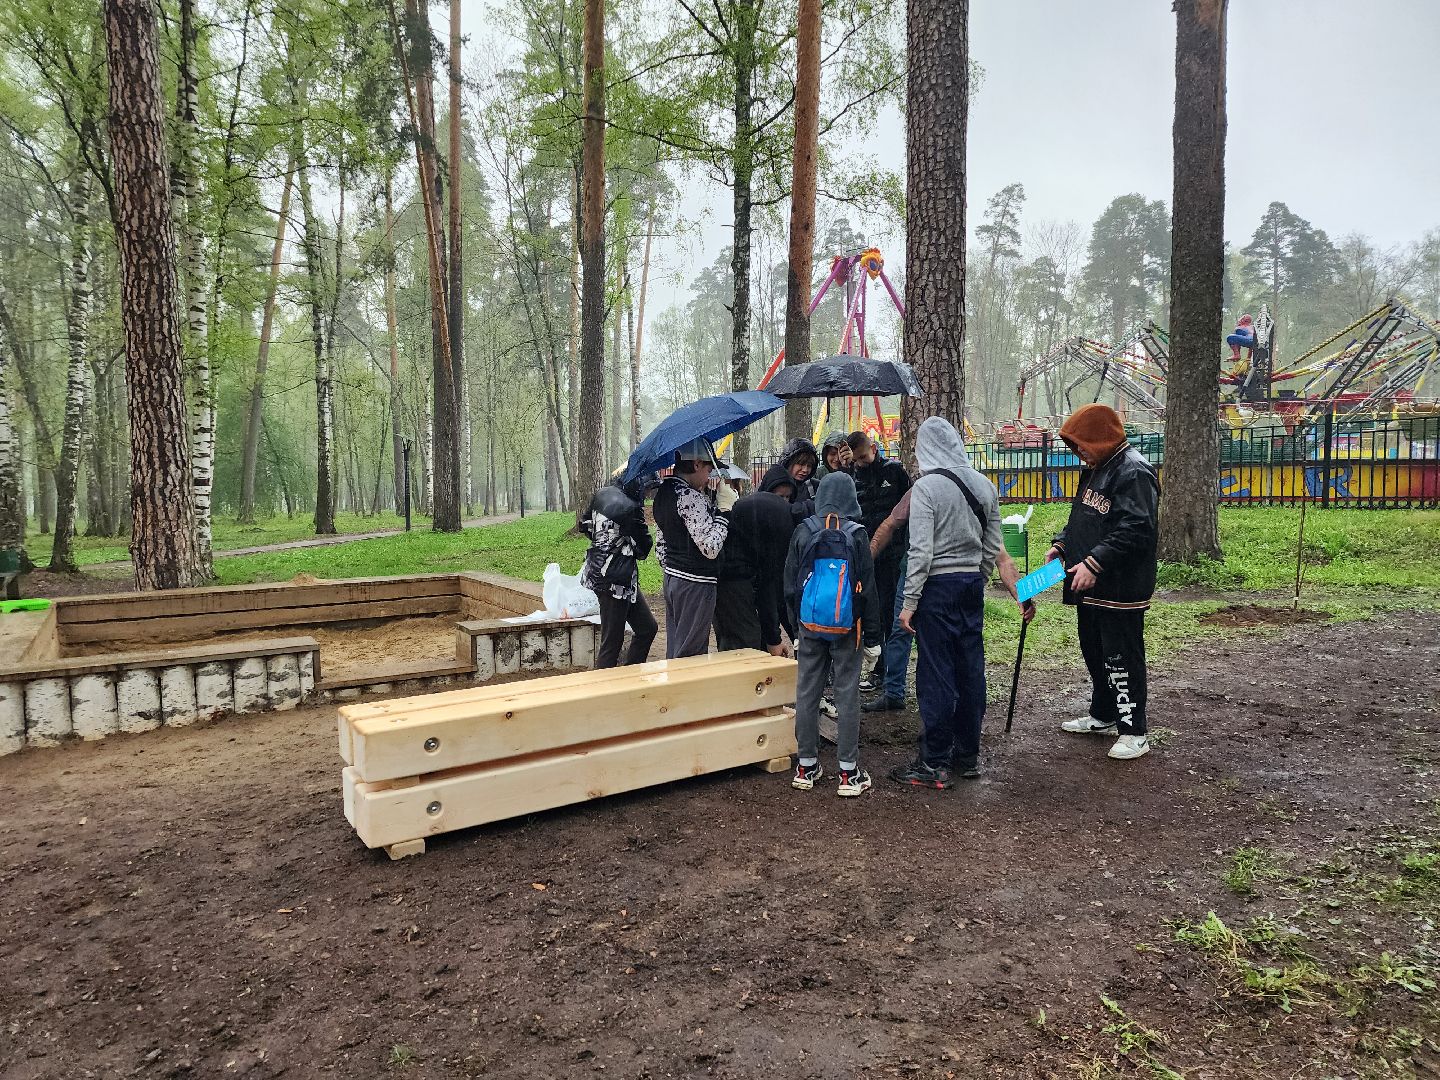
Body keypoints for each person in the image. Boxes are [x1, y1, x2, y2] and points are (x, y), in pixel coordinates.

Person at [890, 417, 1003, 789]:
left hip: (937, 588)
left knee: (936, 672)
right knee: (970, 669)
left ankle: (934, 760)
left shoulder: (927, 488)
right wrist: (980, 576)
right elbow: (993, 544)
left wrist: (909, 602)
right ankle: (967, 754)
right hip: (970, 584)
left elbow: (920, 551)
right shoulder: (985, 485)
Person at [1045, 403, 1159, 761]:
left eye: (1082, 444)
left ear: (1101, 438)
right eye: (1073, 446)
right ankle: (1104, 714)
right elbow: (1082, 516)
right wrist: (1062, 544)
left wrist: (1095, 563)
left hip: (1120, 586)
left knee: (1120, 657)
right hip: (1088, 585)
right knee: (1094, 652)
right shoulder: (1095, 469)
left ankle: (1134, 730)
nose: (1078, 452)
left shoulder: (1134, 472)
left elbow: (1137, 528)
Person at [865, 487, 1033, 715]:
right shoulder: (923, 489)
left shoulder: (974, 493)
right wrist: (865, 563)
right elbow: (890, 524)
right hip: (916, 574)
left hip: (945, 583)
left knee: (941, 644)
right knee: (901, 633)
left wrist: (1023, 596)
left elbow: (1001, 556)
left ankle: (946, 707)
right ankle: (896, 692)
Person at [783, 472, 882, 796]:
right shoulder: (857, 534)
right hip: (847, 628)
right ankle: (848, 774)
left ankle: (806, 767)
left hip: (809, 625)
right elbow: (867, 590)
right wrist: (872, 637)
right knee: (847, 693)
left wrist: (795, 626)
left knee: (807, 693)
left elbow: (790, 585)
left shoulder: (803, 530)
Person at [653, 438, 737, 658]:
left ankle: (674, 690)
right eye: (709, 468)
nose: (710, 475)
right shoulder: (689, 496)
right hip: (695, 583)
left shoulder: (665, 492)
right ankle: (685, 692)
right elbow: (710, 547)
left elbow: (661, 542)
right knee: (691, 652)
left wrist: (673, 569)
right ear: (697, 464)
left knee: (676, 646)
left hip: (673, 579)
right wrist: (724, 512)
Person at [848, 431, 910, 694]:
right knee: (870, 614)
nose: (861, 463)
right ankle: (877, 669)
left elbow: (908, 509)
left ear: (873, 448)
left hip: (893, 556)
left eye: (863, 457)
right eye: (857, 460)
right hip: (866, 557)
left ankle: (888, 672)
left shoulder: (894, 472)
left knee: (889, 614)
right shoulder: (853, 477)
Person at [579, 473, 657, 668]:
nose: (647, 495)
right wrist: (623, 543)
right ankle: (603, 692)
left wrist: (605, 540)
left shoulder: (602, 493)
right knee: (611, 643)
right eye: (647, 489)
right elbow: (645, 548)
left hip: (603, 573)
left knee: (647, 628)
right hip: (615, 581)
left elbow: (584, 524)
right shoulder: (631, 508)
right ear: (639, 485)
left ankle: (630, 677)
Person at [715, 471, 797, 656]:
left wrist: (771, 638)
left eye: (788, 497)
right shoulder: (783, 526)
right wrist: (774, 641)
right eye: (781, 496)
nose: (785, 500)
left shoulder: (770, 511)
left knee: (746, 641)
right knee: (746, 646)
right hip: (733, 578)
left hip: (730, 574)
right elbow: (768, 586)